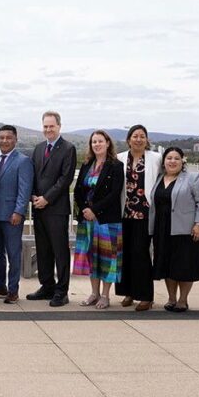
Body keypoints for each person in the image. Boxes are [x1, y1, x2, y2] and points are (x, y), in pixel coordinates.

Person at [149, 147, 199, 312]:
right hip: (162, 228)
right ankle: (171, 298)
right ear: (164, 161)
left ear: (183, 161)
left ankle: (183, 299)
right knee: (167, 265)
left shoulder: (192, 178)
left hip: (185, 229)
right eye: (169, 158)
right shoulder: (159, 178)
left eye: (176, 158)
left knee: (184, 266)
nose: (172, 161)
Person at [29, 110, 77, 306]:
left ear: (59, 126)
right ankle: (47, 285)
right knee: (43, 250)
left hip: (56, 209)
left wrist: (46, 199)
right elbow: (32, 174)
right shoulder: (38, 148)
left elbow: (65, 179)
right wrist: (33, 196)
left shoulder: (68, 148)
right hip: (38, 208)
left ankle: (62, 291)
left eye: (52, 126)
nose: (48, 129)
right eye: (45, 126)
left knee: (60, 251)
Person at [72, 130, 125, 309]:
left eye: (100, 141)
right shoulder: (87, 164)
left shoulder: (116, 165)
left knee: (107, 258)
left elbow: (114, 193)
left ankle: (105, 295)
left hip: (107, 220)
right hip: (87, 220)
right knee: (91, 256)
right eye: (94, 142)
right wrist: (85, 210)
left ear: (108, 143)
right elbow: (78, 189)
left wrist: (94, 210)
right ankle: (94, 293)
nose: (97, 144)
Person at [0, 125, 34, 304]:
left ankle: (13, 290)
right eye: (2, 137)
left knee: (14, 253)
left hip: (12, 215)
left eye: (8, 138)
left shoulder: (23, 161)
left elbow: (25, 189)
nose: (5, 141)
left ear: (15, 139)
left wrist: (18, 211)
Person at [115, 124, 162, 311]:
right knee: (125, 254)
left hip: (145, 213)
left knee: (141, 254)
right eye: (135, 136)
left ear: (147, 139)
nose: (138, 139)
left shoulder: (156, 158)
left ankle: (146, 296)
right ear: (128, 139)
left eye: (142, 136)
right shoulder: (120, 158)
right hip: (125, 213)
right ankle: (128, 293)